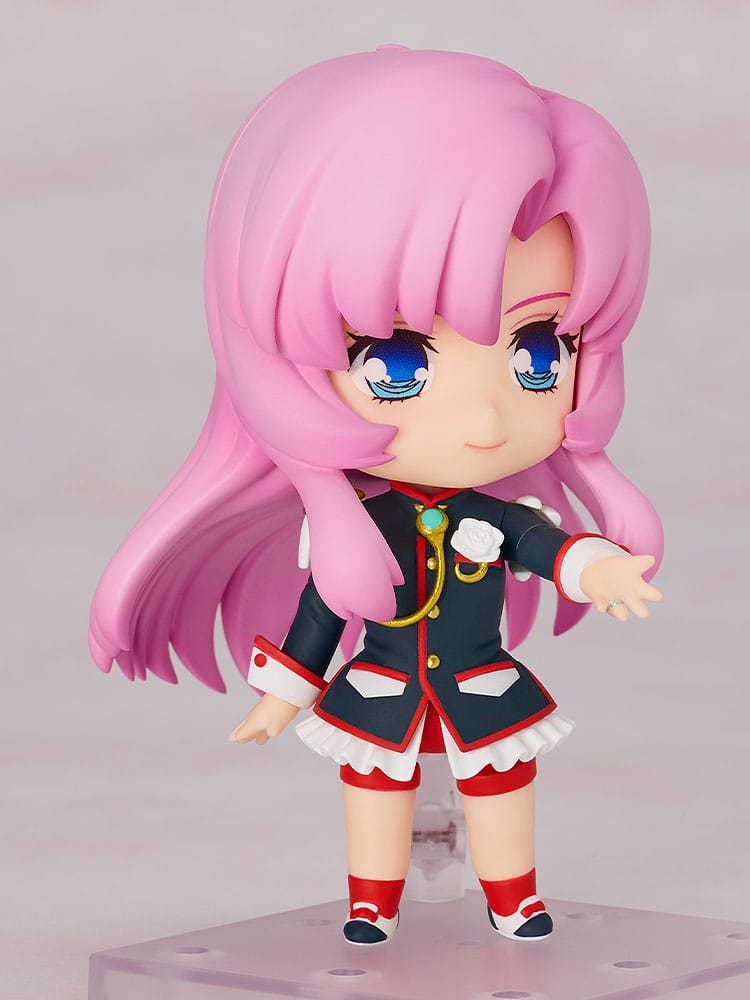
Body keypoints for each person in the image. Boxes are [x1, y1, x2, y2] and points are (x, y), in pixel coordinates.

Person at [90, 47, 663, 946]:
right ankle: (372, 902)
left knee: (502, 787)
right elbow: (321, 616)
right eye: (396, 361)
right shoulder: (355, 530)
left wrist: (601, 569)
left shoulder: (493, 517)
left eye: (538, 352)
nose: (485, 417)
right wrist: (283, 696)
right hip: (382, 691)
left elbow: (549, 551)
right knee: (373, 792)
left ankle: (514, 897)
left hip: (481, 689)